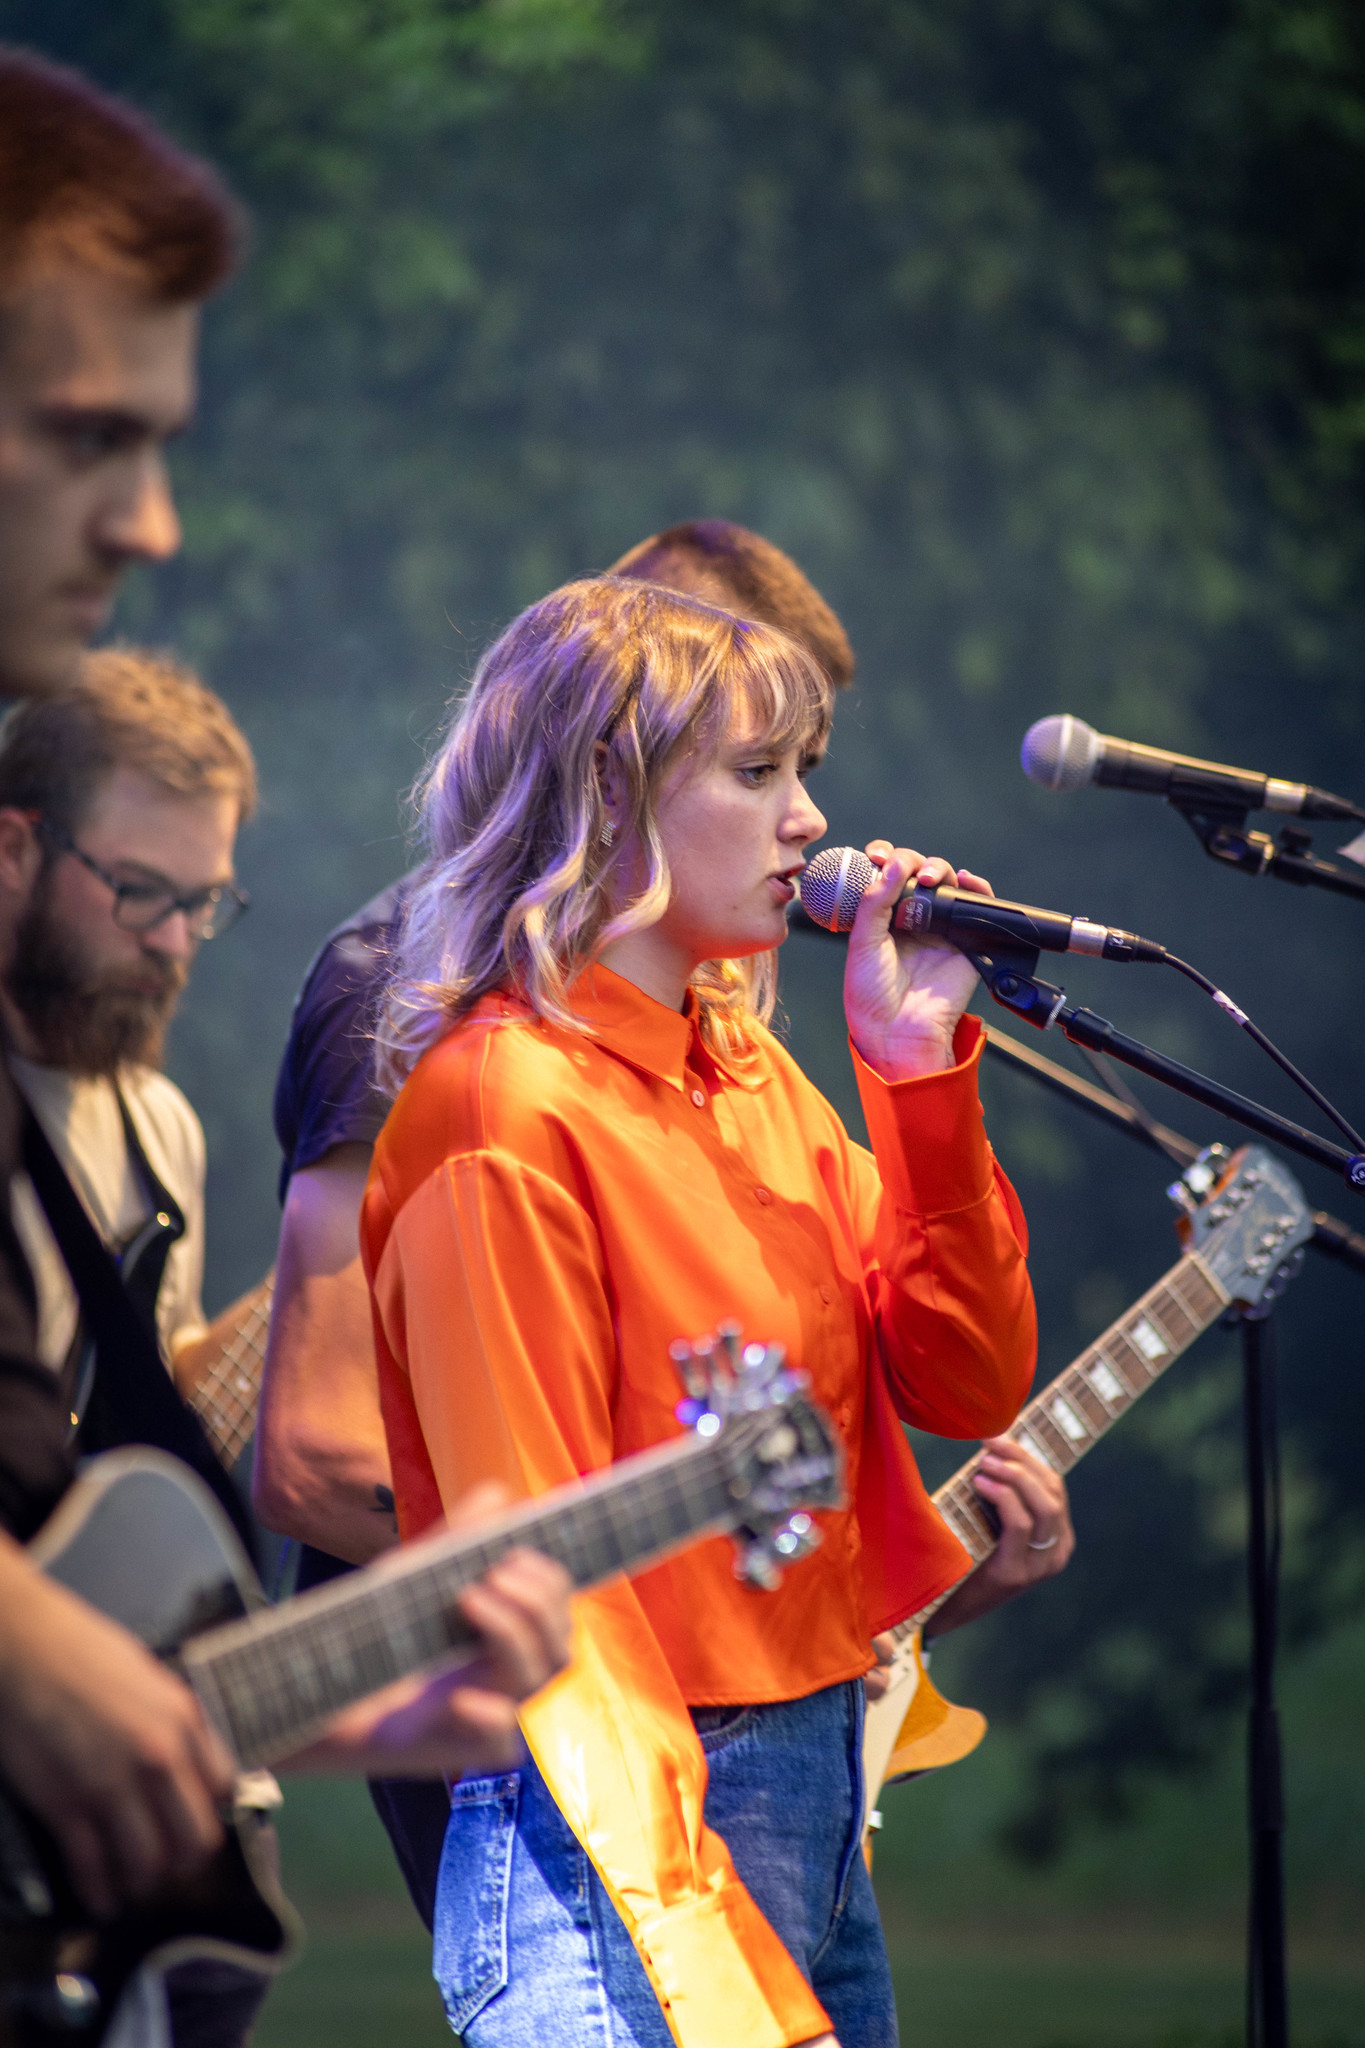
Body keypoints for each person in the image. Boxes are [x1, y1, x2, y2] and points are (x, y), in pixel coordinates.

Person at [256, 518, 1072, 1930]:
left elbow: (962, 1381)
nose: (812, 819)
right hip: (637, 1811)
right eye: (759, 773)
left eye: (804, 770)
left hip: (803, 1767)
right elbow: (548, 1579)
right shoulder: (498, 1099)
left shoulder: (753, 1071)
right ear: (607, 793)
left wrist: (917, 1075)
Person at [0, 43, 572, 1972]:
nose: (154, 520)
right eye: (87, 433)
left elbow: (98, 1546)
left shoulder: (140, 1126)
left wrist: (362, 1721)